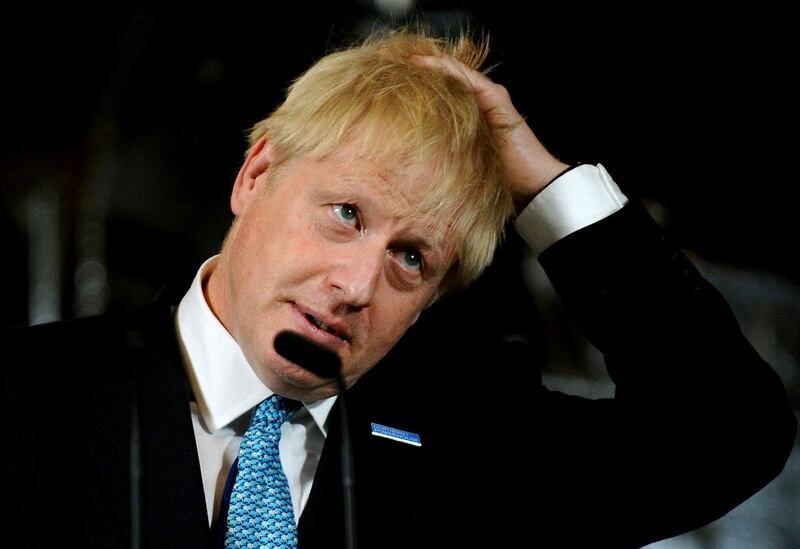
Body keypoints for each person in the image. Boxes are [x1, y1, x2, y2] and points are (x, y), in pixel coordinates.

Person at [2, 29, 796, 548]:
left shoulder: (468, 435)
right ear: (256, 175)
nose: (354, 285)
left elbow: (730, 434)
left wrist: (548, 193)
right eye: (346, 213)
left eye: (411, 258)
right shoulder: (27, 397)